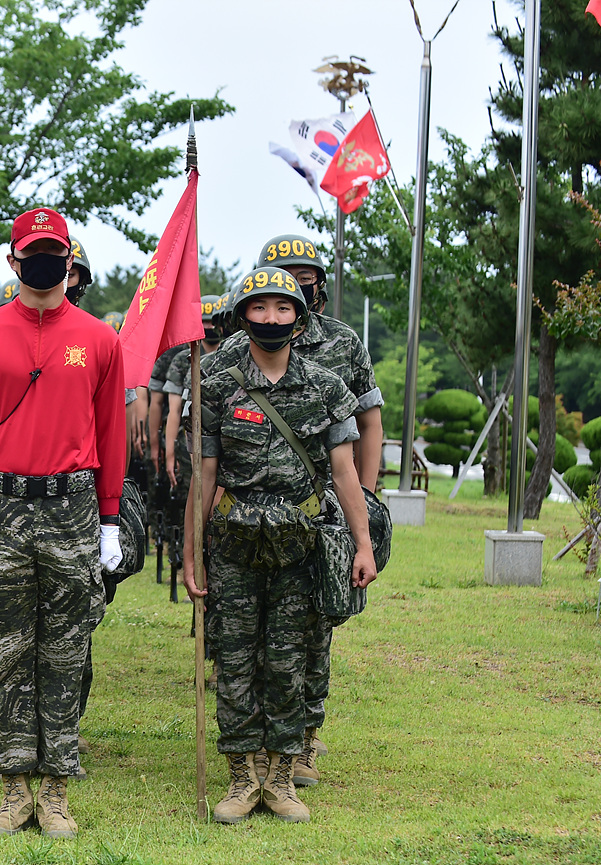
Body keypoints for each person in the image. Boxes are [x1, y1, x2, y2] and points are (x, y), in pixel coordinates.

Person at [0, 207, 125, 839]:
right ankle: (14, 787)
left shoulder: (100, 340)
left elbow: (111, 432)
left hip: (72, 505)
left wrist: (109, 518)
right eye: (34, 251)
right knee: (6, 650)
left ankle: (56, 789)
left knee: (66, 649)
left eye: (56, 252)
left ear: (69, 261)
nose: (45, 262)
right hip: (1, 504)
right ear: (14, 259)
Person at [182, 266, 377, 824]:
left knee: (289, 663)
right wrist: (192, 551)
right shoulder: (217, 381)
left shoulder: (324, 386)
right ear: (243, 315)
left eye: (283, 309)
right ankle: (242, 778)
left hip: (300, 547)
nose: (271, 319)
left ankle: (282, 778)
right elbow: (206, 474)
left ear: (299, 318)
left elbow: (345, 475)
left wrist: (362, 546)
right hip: (235, 547)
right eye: (260, 309)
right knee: (237, 660)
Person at [254, 234, 383, 783]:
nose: (297, 280)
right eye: (284, 273)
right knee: (255, 626)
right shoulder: (249, 333)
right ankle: (259, 737)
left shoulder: (342, 342)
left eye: (305, 273)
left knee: (313, 624)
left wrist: (367, 499)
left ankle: (304, 735)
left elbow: (370, 420)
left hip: (324, 508)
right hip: (254, 509)